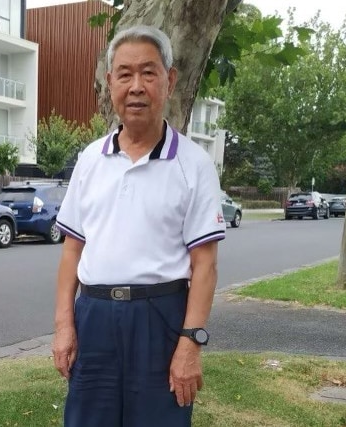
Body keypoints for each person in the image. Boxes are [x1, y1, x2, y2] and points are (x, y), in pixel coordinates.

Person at [51, 25, 226, 427]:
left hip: (160, 319)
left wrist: (191, 343)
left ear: (170, 79)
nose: (136, 86)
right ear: (109, 82)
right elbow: (71, 251)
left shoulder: (193, 164)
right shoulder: (90, 160)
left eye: (148, 73)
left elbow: (205, 266)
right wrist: (64, 326)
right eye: (125, 74)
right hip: (93, 316)